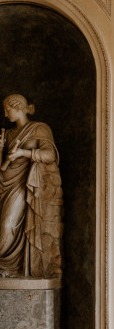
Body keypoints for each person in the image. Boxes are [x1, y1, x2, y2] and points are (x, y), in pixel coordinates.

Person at [0, 93, 62, 278]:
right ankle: (9, 269)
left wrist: (22, 153)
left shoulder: (39, 129)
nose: (5, 114)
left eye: (7, 109)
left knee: (7, 226)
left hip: (26, 185)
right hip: (6, 184)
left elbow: (50, 155)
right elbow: (3, 168)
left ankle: (10, 267)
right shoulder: (9, 134)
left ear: (17, 107)